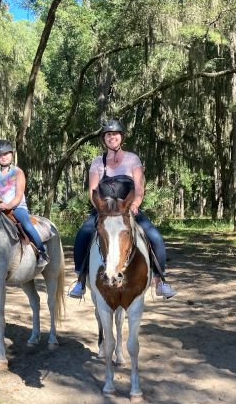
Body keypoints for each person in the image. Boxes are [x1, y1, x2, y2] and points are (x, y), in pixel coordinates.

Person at [67, 119, 177, 299]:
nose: (112, 137)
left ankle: (160, 281)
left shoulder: (132, 159)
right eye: (109, 134)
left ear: (121, 137)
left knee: (155, 236)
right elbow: (92, 191)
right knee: (83, 234)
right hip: (103, 211)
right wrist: (101, 209)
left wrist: (134, 204)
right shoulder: (97, 162)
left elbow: (139, 188)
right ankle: (80, 280)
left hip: (128, 209)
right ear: (104, 139)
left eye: (115, 134)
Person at [0, 139, 49, 268]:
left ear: (12, 154)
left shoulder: (17, 172)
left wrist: (8, 206)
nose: (3, 157)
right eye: (0, 155)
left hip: (17, 207)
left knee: (26, 224)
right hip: (0, 208)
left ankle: (42, 251)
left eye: (6, 154)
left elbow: (19, 195)